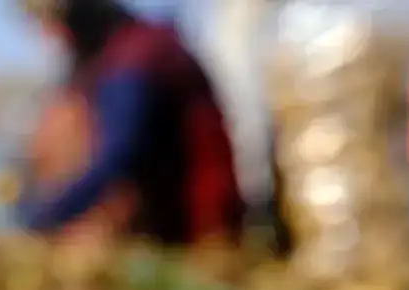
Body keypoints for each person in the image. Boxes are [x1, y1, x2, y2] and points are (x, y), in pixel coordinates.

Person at [17, 0, 246, 247]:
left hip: (194, 231)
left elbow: (119, 153)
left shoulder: (136, 59)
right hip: (161, 230)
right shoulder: (109, 62)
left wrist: (47, 218)